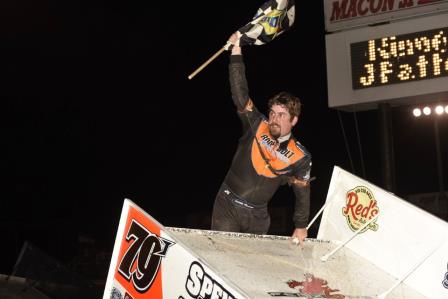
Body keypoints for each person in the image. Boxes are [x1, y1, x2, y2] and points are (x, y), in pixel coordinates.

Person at [211, 33, 313, 246]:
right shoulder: (256, 123)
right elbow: (240, 93)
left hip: (258, 216)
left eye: (282, 115)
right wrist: (236, 51)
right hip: (228, 204)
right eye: (273, 113)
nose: (274, 119)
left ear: (294, 120)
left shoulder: (301, 156)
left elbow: (302, 191)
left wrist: (301, 225)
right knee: (225, 258)